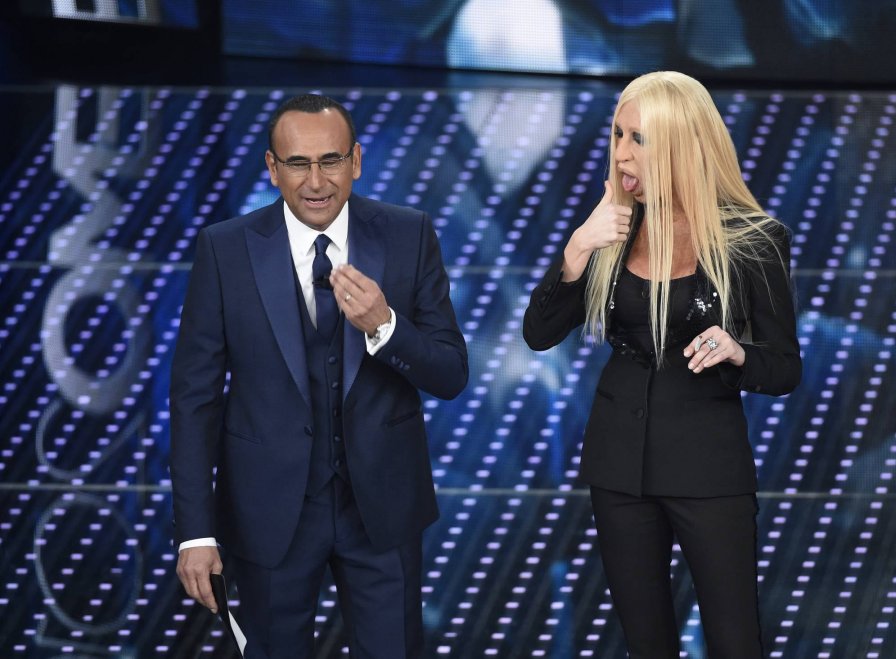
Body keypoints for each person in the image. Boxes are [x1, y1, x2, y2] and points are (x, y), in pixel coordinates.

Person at [169, 94, 468, 658]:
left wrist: (385, 326)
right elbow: (194, 399)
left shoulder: (408, 234)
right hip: (266, 513)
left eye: (330, 161)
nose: (315, 182)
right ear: (272, 167)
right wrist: (196, 532)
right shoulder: (225, 249)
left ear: (356, 160)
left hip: (382, 512)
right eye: (298, 164)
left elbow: (451, 373)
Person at [523, 71, 801, 658]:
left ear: (680, 145)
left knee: (734, 643)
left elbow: (784, 368)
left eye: (639, 139)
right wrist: (576, 249)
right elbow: (539, 334)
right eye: (618, 135)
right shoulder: (610, 229)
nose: (622, 152)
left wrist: (738, 353)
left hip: (709, 470)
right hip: (619, 468)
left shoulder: (753, 239)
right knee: (646, 643)